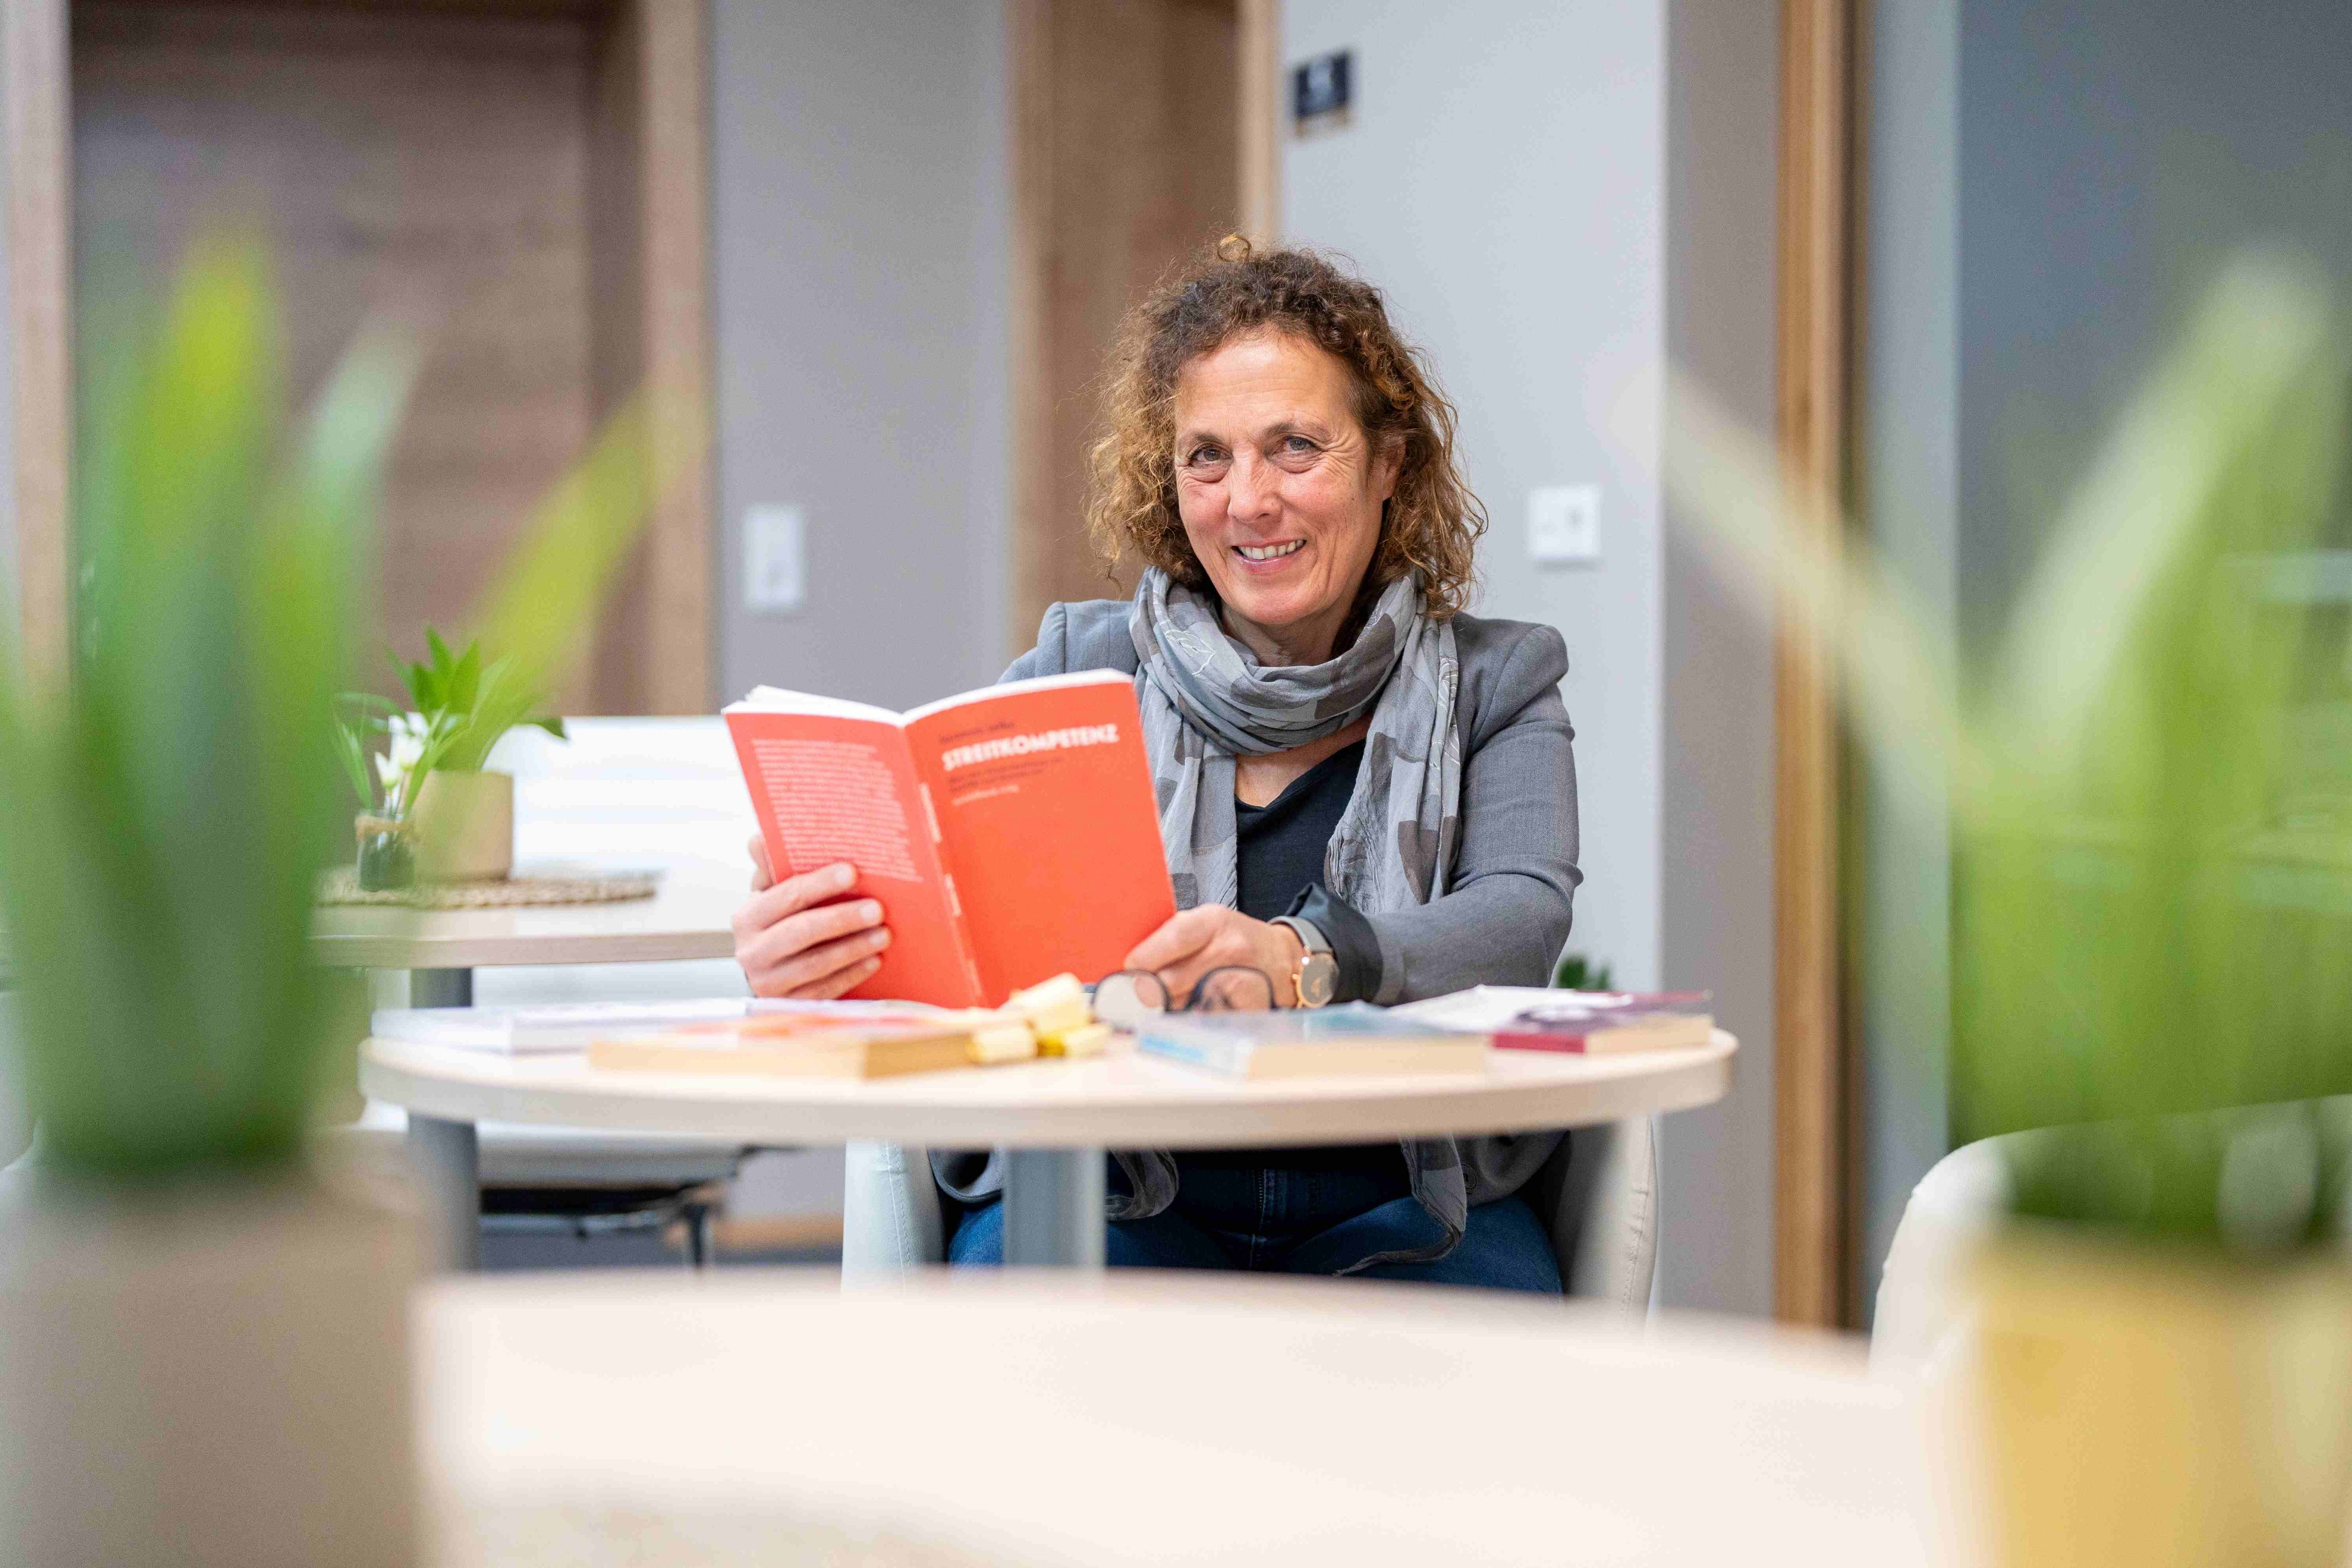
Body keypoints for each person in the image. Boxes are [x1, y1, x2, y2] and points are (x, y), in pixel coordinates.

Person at [733, 239, 1581, 1290]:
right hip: (1111, 1182)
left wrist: (1299, 956)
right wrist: (821, 960)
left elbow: (1520, 916)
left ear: (1388, 462)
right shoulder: (1079, 666)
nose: (1247, 500)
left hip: (1410, 1192)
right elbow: (965, 934)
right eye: (1206, 456)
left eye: (1295, 448)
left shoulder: (1496, 678)